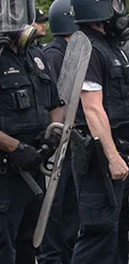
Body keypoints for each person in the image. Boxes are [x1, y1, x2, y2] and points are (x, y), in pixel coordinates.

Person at [69, 0, 129, 263]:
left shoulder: (113, 48)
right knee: (98, 235)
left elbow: (114, 103)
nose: (120, 10)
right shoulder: (90, 48)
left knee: (116, 237)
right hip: (100, 159)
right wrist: (112, 156)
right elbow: (92, 109)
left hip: (120, 152)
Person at [0, 1, 63, 263]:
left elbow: (55, 104)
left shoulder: (37, 57)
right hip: (6, 170)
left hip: (35, 168)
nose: (12, 15)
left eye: (16, 9)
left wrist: (53, 137)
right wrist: (14, 147)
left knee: (30, 246)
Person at [36, 1, 80, 263]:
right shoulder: (54, 54)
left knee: (70, 211)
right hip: (57, 143)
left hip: (72, 142)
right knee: (55, 207)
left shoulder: (73, 51)